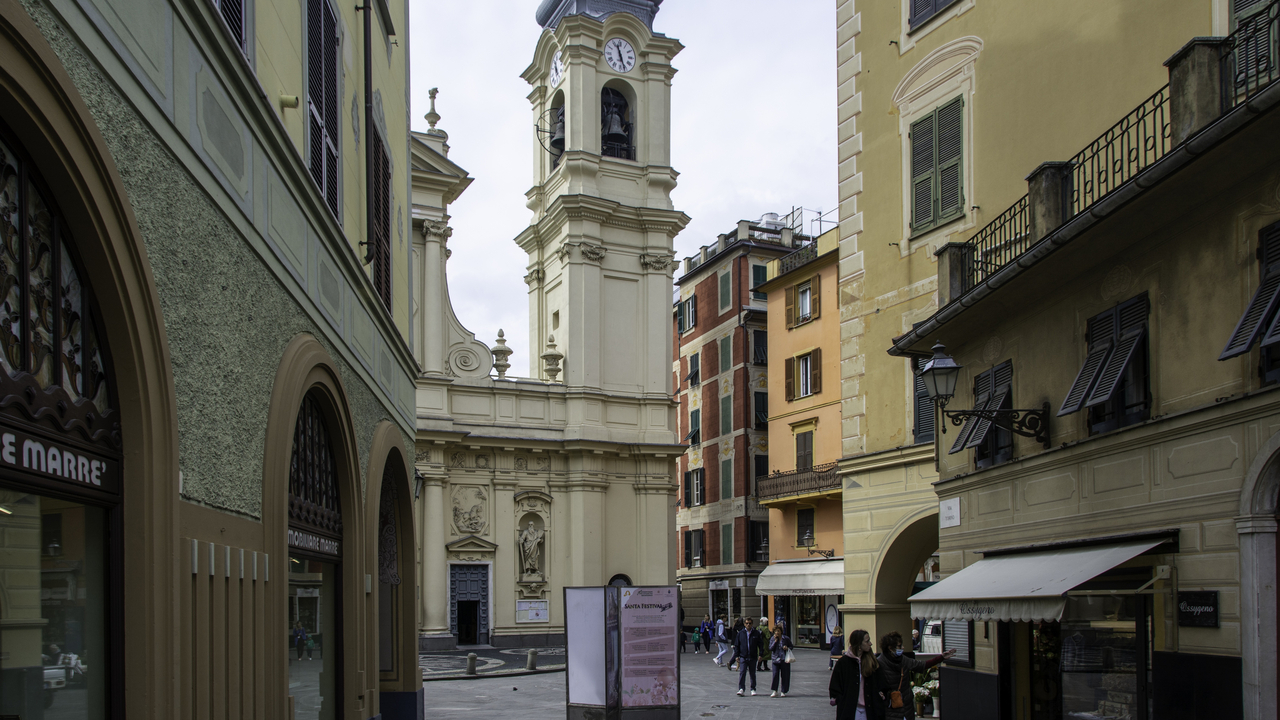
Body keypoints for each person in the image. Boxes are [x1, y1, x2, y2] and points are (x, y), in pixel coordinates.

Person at [877, 631, 955, 720]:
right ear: (890, 648)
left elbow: (922, 665)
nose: (902, 648)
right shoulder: (880, 663)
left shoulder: (903, 660)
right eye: (899, 646)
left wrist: (941, 657)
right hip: (891, 707)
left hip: (906, 706)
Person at [829, 629, 884, 720]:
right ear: (859, 645)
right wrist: (840, 699)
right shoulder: (843, 663)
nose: (870, 643)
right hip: (850, 709)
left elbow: (881, 683)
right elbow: (835, 685)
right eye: (867, 641)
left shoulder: (872, 662)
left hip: (871, 709)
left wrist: (881, 695)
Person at [732, 615, 764, 696]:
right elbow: (737, 645)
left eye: (750, 623)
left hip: (753, 656)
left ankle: (753, 689)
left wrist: (761, 654)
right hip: (743, 656)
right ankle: (741, 688)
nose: (748, 625)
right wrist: (736, 656)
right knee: (742, 672)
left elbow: (760, 644)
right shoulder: (741, 633)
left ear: (752, 624)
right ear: (744, 624)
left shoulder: (756, 633)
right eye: (747, 623)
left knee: (752, 673)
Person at [768, 625, 794, 697]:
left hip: (784, 659)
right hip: (775, 659)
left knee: (785, 675)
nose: (777, 633)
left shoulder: (786, 638)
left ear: (781, 632)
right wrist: (775, 642)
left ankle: (783, 691)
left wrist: (787, 648)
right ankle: (774, 690)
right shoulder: (772, 639)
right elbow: (770, 648)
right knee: (775, 675)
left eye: (778, 631)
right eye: (775, 631)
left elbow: (791, 646)